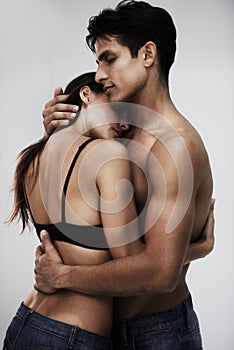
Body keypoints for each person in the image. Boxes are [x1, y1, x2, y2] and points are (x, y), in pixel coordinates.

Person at [34, 1, 215, 349]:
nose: (100, 74)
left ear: (147, 54)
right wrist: (56, 133)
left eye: (110, 58)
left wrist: (64, 275)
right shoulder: (116, 133)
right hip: (97, 328)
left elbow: (161, 273)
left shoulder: (173, 147)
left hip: (156, 333)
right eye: (97, 62)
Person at [3, 71, 148, 349]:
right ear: (86, 94)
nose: (125, 124)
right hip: (72, 335)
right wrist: (197, 248)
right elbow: (136, 268)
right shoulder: (107, 154)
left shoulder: (32, 157)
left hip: (25, 322)